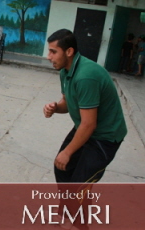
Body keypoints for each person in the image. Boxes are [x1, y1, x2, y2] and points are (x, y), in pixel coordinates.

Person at [44, 29, 127, 229]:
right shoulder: (65, 70)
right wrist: (56, 108)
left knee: (78, 185)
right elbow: (68, 103)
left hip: (105, 137)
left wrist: (68, 151)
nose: (49, 57)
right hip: (86, 128)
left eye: (54, 52)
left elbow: (90, 124)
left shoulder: (86, 76)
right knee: (61, 167)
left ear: (69, 51)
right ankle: (69, 212)